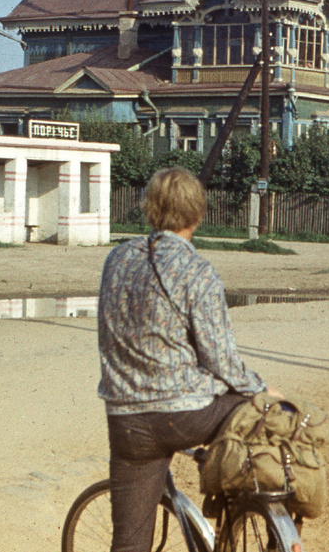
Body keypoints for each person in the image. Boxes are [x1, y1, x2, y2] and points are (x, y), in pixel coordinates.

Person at [97, 166, 268, 552]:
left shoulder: (116, 260)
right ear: (199, 215)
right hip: (184, 415)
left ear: (149, 210)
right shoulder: (198, 272)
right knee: (249, 409)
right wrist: (259, 388)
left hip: (126, 418)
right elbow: (220, 358)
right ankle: (230, 510)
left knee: (128, 541)